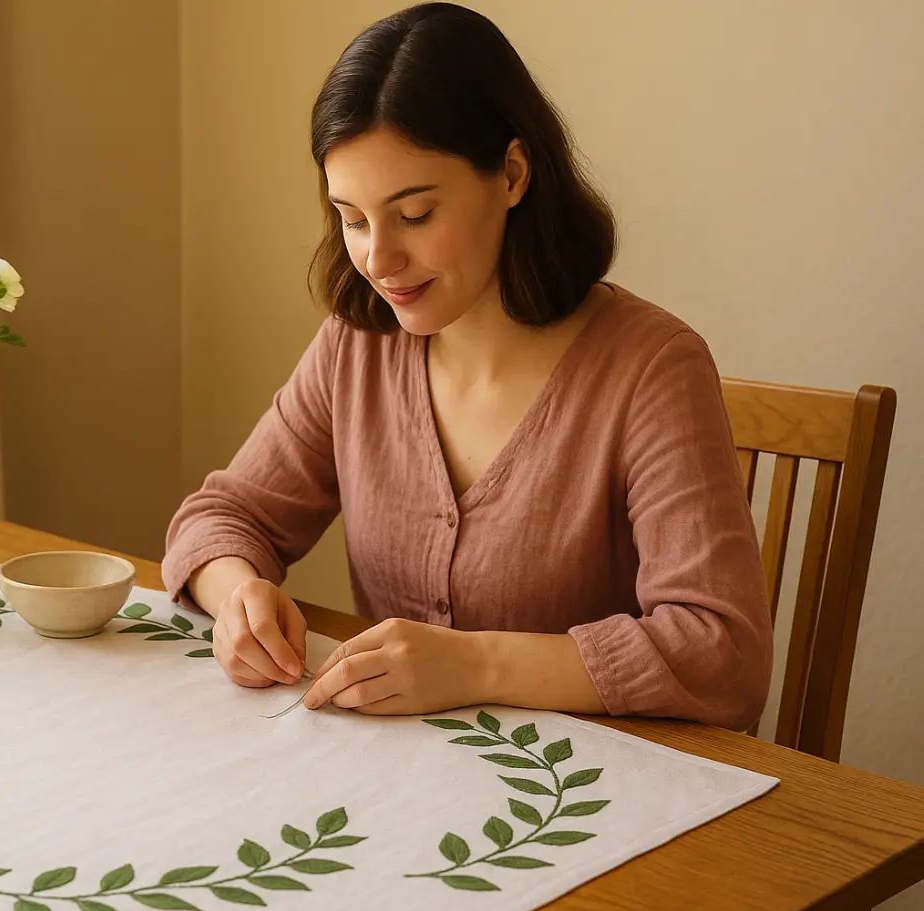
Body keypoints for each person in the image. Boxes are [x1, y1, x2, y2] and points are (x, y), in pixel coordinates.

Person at [160, 2, 773, 731]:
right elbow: (221, 516)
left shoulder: (650, 368)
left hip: (606, 798)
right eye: (353, 219)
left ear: (512, 173)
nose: (379, 261)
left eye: (414, 215)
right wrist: (238, 595)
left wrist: (477, 665)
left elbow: (723, 654)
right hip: (407, 782)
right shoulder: (358, 346)